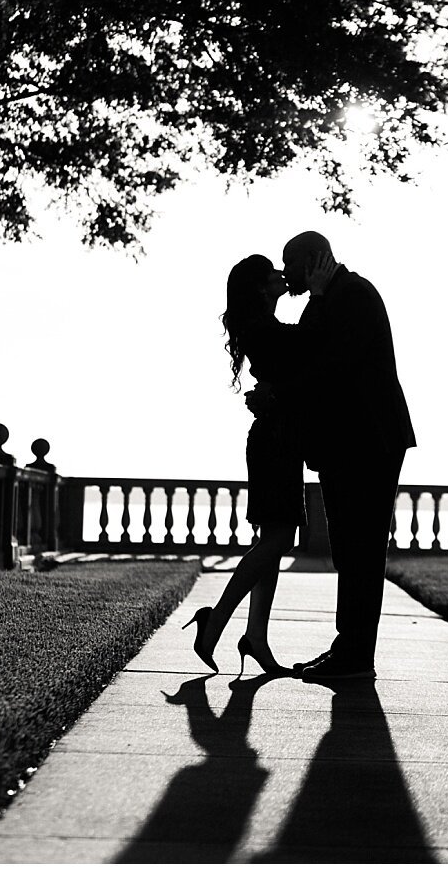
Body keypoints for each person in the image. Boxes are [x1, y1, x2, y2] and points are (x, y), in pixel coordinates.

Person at [184, 253, 333, 676]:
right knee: (279, 540)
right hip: (274, 442)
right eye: (274, 275)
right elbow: (306, 346)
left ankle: (256, 638)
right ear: (259, 287)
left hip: (279, 439)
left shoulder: (262, 326)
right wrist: (318, 295)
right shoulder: (262, 329)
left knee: (275, 540)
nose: (282, 278)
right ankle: (217, 621)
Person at [281, 231, 415, 681]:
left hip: (369, 442)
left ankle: (357, 658)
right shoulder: (333, 297)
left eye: (291, 264)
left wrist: (317, 298)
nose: (286, 274)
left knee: (362, 549)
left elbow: (322, 364)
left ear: (315, 261)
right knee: (349, 550)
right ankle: (348, 648)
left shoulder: (353, 294)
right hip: (350, 443)